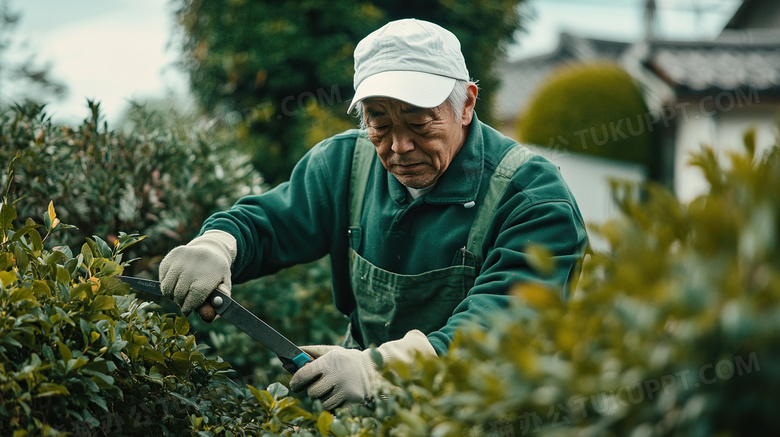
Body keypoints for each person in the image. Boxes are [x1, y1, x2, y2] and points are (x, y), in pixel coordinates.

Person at [159, 18, 588, 410]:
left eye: (420, 123)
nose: (399, 146)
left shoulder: (532, 198)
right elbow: (271, 222)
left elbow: (504, 322)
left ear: (467, 104)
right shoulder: (347, 165)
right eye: (378, 122)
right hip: (369, 411)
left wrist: (378, 370)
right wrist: (219, 244)